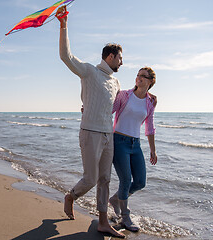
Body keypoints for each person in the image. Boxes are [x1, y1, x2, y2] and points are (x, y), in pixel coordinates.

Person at [56, 6, 125, 238]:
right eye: (120, 58)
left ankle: (103, 222)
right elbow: (66, 56)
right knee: (91, 178)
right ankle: (70, 196)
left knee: (105, 179)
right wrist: (64, 25)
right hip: (90, 132)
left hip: (108, 135)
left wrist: (146, 94)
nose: (121, 63)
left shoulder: (115, 83)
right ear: (110, 56)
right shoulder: (89, 72)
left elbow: (117, 104)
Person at [109, 67, 157, 232]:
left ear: (150, 81)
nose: (138, 78)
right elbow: (109, 110)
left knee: (139, 182)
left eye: (143, 76)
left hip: (135, 144)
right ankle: (125, 217)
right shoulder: (124, 95)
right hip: (119, 141)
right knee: (125, 180)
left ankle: (115, 199)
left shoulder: (150, 102)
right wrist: (89, 111)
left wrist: (153, 150)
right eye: (137, 75)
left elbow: (150, 128)